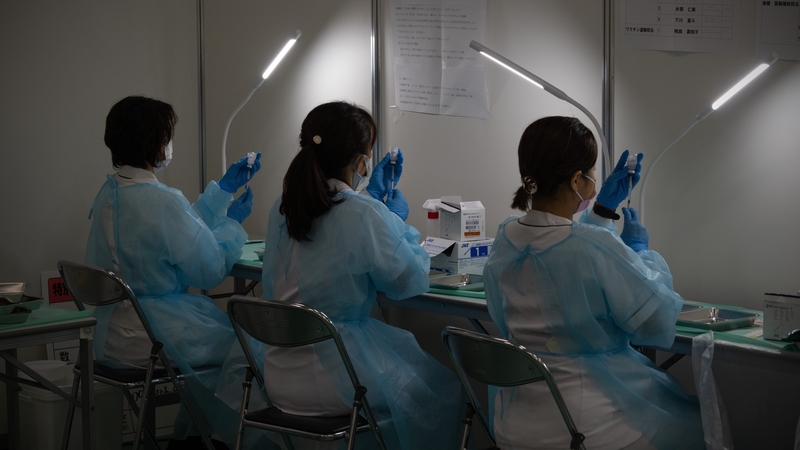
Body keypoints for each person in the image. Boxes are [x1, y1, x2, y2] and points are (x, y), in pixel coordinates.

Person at [482, 116, 704, 450]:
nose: (595, 182)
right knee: (700, 427)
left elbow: (561, 244)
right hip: (586, 424)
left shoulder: (507, 236)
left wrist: (602, 210)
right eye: (591, 174)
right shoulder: (592, 246)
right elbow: (657, 322)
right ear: (576, 179)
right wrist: (642, 253)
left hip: (514, 421)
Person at [258, 101, 463, 449]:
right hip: (336, 381)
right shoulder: (365, 214)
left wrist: (374, 207)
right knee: (442, 393)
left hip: (277, 375)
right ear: (361, 161)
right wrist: (392, 219)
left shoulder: (285, 206)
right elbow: (408, 280)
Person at [85, 95, 260, 447]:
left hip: (112, 332)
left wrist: (222, 192)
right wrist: (231, 225)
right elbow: (209, 269)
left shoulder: (110, 191)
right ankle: (221, 440)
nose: (169, 145)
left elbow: (179, 230)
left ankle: (193, 439)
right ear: (154, 142)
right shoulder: (162, 200)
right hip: (154, 334)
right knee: (252, 350)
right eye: (167, 136)